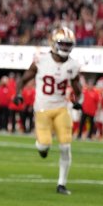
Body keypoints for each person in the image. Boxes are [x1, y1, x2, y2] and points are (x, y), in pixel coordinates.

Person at [13, 27, 83, 195]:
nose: (65, 48)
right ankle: (42, 148)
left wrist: (78, 101)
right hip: (42, 108)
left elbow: (76, 86)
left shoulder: (73, 64)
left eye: (68, 44)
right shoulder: (41, 60)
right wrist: (18, 94)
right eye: (62, 44)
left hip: (61, 108)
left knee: (65, 145)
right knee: (44, 146)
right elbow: (23, 79)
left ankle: (61, 184)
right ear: (53, 43)